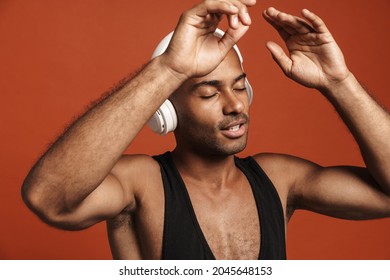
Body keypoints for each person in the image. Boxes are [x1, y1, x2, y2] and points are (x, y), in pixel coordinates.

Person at [21, 0, 390, 260]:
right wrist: (168, 70)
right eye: (209, 91)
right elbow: (48, 198)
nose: (235, 105)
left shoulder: (279, 179)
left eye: (240, 85)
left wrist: (339, 83)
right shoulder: (141, 184)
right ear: (168, 110)